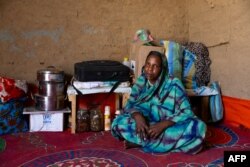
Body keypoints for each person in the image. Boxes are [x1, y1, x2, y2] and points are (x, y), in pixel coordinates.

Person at [111, 51, 207, 154]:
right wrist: (137, 116)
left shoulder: (173, 84)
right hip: (147, 124)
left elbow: (187, 111)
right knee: (118, 122)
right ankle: (160, 143)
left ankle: (141, 141)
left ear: (162, 69)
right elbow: (129, 105)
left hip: (168, 125)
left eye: (155, 66)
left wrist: (163, 125)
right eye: (148, 64)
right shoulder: (141, 81)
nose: (149, 69)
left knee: (199, 127)